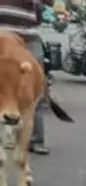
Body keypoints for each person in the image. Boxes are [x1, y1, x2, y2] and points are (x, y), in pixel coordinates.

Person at [0, 0, 51, 154]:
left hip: (29, 40)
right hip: (2, 39)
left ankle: (34, 139)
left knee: (37, 89)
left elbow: (49, 3)